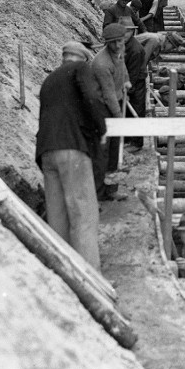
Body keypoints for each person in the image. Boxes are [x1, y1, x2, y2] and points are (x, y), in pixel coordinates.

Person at [36, 41, 106, 270]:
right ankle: (91, 278)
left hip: (47, 153)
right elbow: (92, 98)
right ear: (83, 59)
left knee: (58, 220)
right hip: (71, 150)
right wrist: (101, 129)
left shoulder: (49, 80)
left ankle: (63, 274)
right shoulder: (80, 70)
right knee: (83, 217)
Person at [91, 23, 130, 200]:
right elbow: (108, 94)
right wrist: (118, 116)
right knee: (104, 151)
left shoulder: (119, 52)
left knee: (114, 150)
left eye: (119, 41)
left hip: (116, 100)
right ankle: (100, 193)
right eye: (112, 43)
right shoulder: (101, 63)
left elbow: (123, 68)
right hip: (103, 108)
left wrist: (126, 81)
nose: (116, 45)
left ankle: (112, 190)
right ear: (107, 43)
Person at [119, 17, 147, 152]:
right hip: (129, 81)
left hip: (136, 84)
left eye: (127, 32)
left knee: (137, 111)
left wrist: (128, 90)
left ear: (132, 32)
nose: (124, 35)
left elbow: (133, 74)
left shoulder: (135, 49)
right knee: (128, 113)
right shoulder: (125, 44)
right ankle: (128, 139)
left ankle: (137, 143)